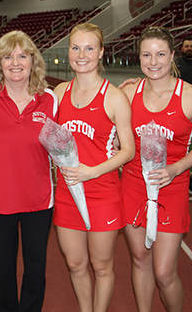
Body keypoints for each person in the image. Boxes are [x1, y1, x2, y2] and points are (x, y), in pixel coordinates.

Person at [0, 31, 58, 312]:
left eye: (22, 56)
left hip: (39, 201)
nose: (15, 62)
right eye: (8, 56)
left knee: (35, 268)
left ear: (33, 61)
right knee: (4, 270)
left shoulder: (50, 100)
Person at [120, 26, 192, 312]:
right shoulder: (129, 93)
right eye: (146, 54)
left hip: (172, 187)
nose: (153, 61)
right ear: (139, 58)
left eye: (160, 54)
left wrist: (176, 168)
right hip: (133, 185)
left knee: (164, 272)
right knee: (140, 260)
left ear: (172, 57)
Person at [53, 23, 135, 312]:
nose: (82, 54)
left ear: (101, 52)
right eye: (76, 48)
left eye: (89, 48)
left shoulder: (114, 97)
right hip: (67, 194)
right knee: (75, 264)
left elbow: (128, 150)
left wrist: (94, 170)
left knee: (101, 266)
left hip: (102, 194)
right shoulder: (60, 92)